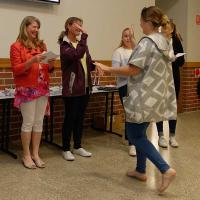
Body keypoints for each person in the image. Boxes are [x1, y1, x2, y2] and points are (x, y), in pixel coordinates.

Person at [94, 6, 177, 194]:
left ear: (148, 22)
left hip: (142, 95)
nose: (139, 24)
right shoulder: (164, 41)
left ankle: (165, 169)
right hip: (156, 95)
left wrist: (106, 69)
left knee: (133, 135)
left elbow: (133, 69)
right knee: (141, 133)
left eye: (141, 21)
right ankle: (141, 170)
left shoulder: (147, 42)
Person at [10, 16, 55, 169]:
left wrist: (50, 64)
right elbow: (16, 70)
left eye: (38, 27)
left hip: (42, 87)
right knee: (28, 122)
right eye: (33, 27)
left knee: (38, 122)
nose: (36, 30)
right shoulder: (16, 46)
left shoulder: (41, 45)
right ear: (25, 27)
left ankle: (35, 154)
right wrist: (32, 61)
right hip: (27, 89)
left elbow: (46, 68)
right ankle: (26, 155)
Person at [58, 17, 95, 161]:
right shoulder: (65, 45)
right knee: (70, 118)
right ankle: (66, 148)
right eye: (77, 25)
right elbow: (76, 55)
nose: (80, 28)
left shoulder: (81, 44)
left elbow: (87, 61)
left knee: (80, 118)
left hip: (85, 87)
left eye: (81, 25)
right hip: (72, 88)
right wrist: (85, 37)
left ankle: (78, 146)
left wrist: (96, 66)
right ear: (68, 26)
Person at [156, 20, 185, 148]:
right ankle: (161, 135)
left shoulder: (176, 41)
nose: (163, 29)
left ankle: (172, 136)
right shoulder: (158, 41)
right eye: (162, 27)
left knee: (172, 105)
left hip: (173, 78)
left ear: (171, 29)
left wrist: (173, 58)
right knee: (159, 106)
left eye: (166, 27)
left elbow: (182, 62)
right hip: (160, 78)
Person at [112, 27, 136, 156]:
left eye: (130, 36)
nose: (128, 38)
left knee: (136, 114)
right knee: (130, 113)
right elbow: (116, 71)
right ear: (122, 38)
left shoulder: (137, 50)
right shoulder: (119, 52)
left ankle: (130, 138)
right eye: (125, 36)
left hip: (137, 86)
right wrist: (130, 71)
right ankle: (132, 143)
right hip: (125, 85)